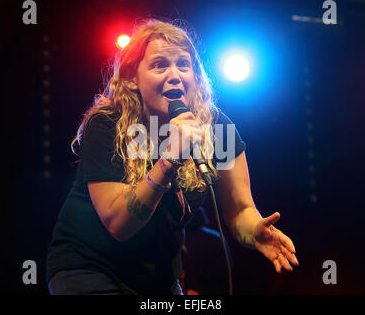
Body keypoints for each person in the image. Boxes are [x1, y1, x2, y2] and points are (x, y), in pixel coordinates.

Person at [46, 19, 299, 295]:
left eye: (183, 64)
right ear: (132, 78)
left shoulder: (217, 129)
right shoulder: (108, 124)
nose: (175, 74)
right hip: (89, 268)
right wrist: (170, 158)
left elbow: (240, 209)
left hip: (159, 278)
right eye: (159, 65)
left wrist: (255, 232)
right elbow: (119, 224)